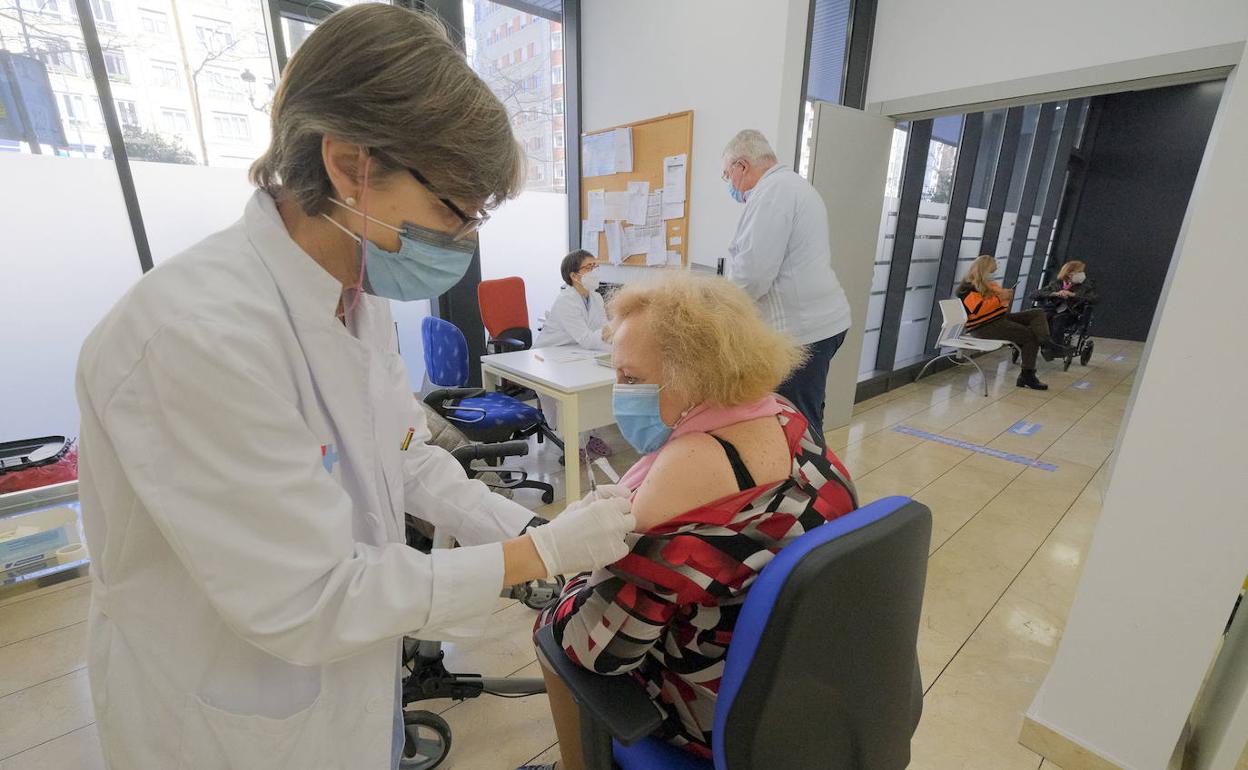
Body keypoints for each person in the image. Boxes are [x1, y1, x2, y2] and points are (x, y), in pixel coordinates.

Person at [74, 7, 634, 769]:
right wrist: (534, 558)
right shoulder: (192, 337)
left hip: (345, 689)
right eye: (450, 209)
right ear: (348, 164)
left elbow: (401, 453)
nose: (464, 240)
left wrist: (522, 528)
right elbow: (310, 599)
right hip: (226, 716)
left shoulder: (353, 298)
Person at [518, 274, 858, 770]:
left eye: (631, 378)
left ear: (695, 376)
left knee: (550, 635)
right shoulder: (786, 416)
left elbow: (601, 650)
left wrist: (572, 574)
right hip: (808, 679)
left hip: (720, 706)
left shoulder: (688, 471)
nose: (620, 393)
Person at [722, 129, 852, 439]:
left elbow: (753, 274)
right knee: (804, 412)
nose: (729, 184)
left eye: (727, 175)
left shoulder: (772, 193)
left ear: (742, 166)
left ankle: (812, 484)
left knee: (796, 422)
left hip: (802, 332)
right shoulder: (793, 186)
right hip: (819, 324)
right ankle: (808, 477)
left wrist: (721, 312)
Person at [535, 249, 613, 457]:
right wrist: (607, 333)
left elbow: (604, 331)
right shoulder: (566, 300)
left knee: (595, 388)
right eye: (589, 267)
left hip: (578, 352)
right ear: (574, 275)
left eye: (596, 266)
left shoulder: (595, 298)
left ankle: (591, 435)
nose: (595, 271)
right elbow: (588, 338)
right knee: (569, 397)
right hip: (551, 356)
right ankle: (573, 443)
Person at [956, 255, 1072, 391]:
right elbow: (979, 309)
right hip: (982, 327)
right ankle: (1028, 374)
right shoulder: (967, 288)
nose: (993, 274)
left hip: (997, 319)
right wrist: (1000, 298)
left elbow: (999, 308)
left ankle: (1046, 344)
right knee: (1030, 336)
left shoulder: (989, 285)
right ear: (983, 270)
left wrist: (1004, 298)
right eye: (992, 271)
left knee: (1037, 313)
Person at [1035, 259, 1098, 342]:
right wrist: (1055, 294)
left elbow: (1093, 298)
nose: (1082, 274)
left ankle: (1055, 345)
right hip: (1053, 309)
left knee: (1058, 319)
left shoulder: (1086, 285)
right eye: (1079, 272)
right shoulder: (1056, 284)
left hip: (1072, 313)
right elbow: (1035, 294)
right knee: (1040, 316)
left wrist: (1073, 295)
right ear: (1069, 273)